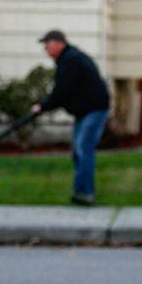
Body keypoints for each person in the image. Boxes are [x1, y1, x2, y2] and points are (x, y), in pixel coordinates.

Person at [31, 30, 110, 206]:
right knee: (78, 150)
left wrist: (42, 106)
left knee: (83, 147)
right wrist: (45, 105)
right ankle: (81, 191)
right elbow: (65, 92)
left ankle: (85, 193)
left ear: (59, 43)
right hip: (85, 111)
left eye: (47, 44)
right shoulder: (67, 59)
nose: (45, 48)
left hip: (94, 109)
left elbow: (61, 92)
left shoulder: (71, 60)